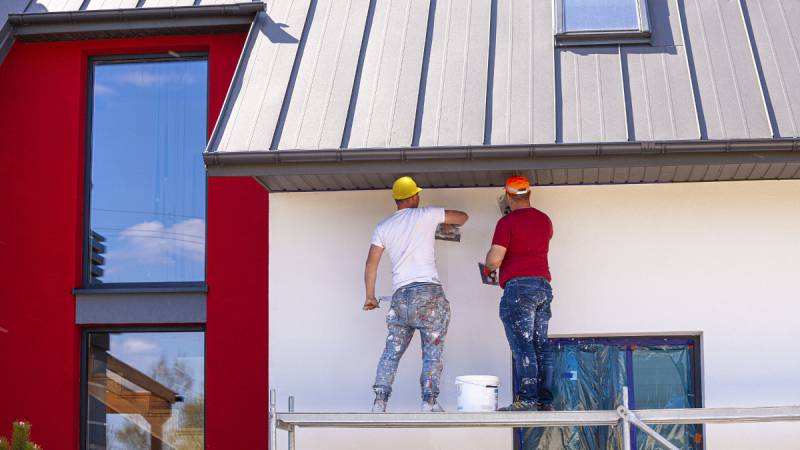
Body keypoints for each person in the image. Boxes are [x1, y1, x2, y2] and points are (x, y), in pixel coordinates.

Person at [364, 176, 469, 413]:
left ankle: (379, 401)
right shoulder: (425, 215)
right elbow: (462, 217)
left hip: (400, 297)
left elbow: (371, 263)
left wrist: (370, 296)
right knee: (432, 349)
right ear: (413, 197)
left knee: (392, 351)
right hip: (428, 293)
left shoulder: (383, 227)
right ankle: (429, 402)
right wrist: (438, 223)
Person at [484, 176, 554, 411]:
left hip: (519, 289)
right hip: (543, 286)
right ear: (529, 194)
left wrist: (488, 265)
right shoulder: (544, 220)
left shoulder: (507, 223)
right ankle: (545, 401)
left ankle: (526, 400)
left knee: (522, 345)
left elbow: (494, 260)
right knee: (540, 345)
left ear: (508, 195)